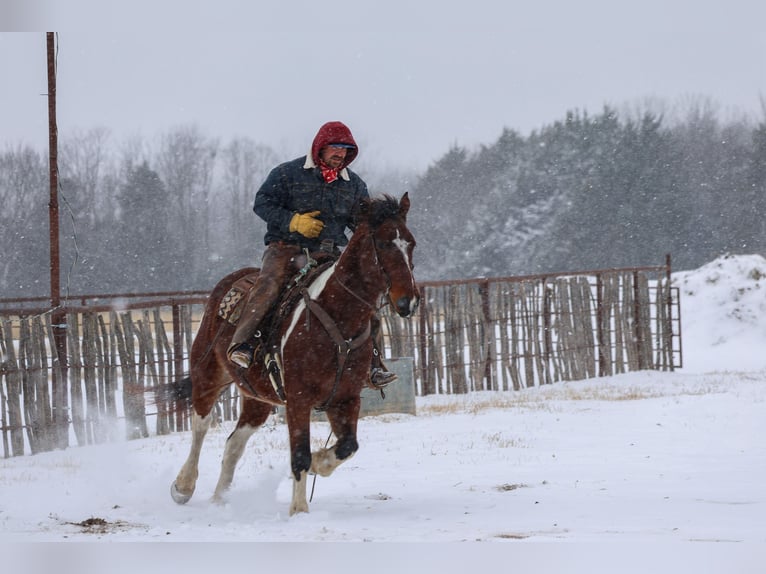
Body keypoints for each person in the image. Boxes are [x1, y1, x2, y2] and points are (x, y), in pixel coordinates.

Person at [227, 121, 396, 389]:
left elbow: (360, 224)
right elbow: (262, 203)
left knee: (362, 297)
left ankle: (373, 364)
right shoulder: (287, 174)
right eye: (335, 148)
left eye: (346, 150)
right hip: (285, 249)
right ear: (320, 147)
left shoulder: (354, 185)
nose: (340, 154)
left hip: (329, 255)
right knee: (269, 285)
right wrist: (293, 221)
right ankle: (245, 343)